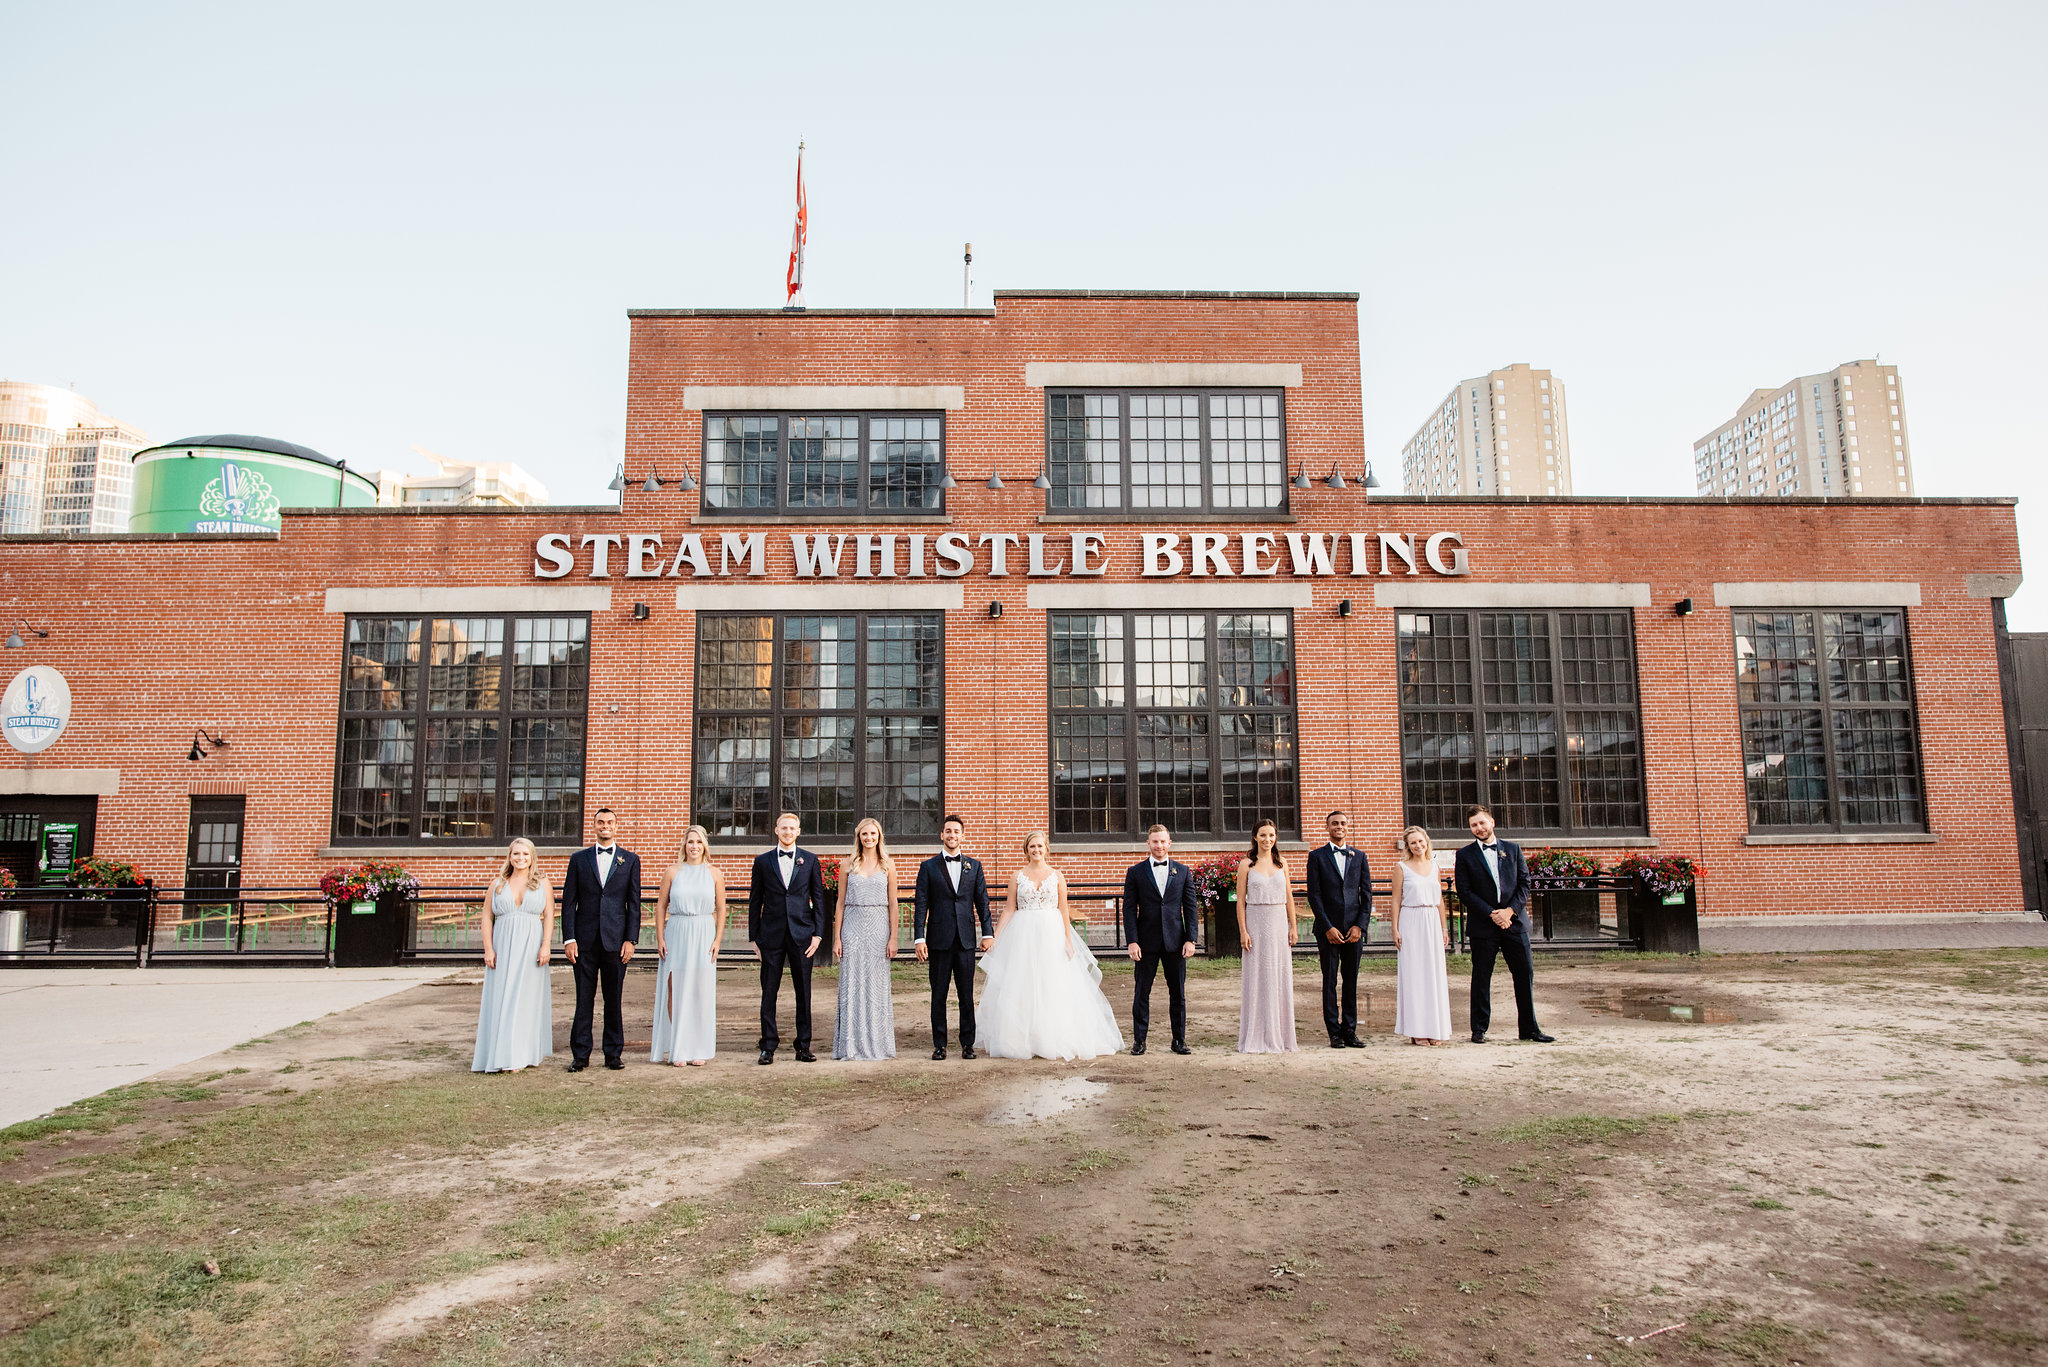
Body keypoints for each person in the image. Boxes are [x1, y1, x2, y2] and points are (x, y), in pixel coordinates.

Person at [979, 831, 1124, 1060]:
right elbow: (1009, 908)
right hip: (1023, 934)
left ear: (1046, 848)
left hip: (1051, 933)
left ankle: (1053, 1035)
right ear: (1026, 850)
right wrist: (995, 935)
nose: (1036, 850)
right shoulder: (1017, 875)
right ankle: (1021, 1037)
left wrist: (1067, 939)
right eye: (1031, 847)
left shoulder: (1057, 876)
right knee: (1023, 983)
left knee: (1052, 982)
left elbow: (1063, 910)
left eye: (1039, 846)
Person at [1452, 805, 1554, 1044]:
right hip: (1483, 926)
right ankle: (1478, 1029)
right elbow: (1465, 892)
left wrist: (1509, 911)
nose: (1479, 828)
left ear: (1492, 822)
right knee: (1481, 977)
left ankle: (1529, 1029)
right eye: (1474, 825)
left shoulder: (1513, 849)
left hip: (1514, 924)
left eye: (1482, 823)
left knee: (1524, 974)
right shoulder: (1464, 855)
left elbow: (1524, 884)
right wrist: (1491, 913)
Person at [561, 807, 642, 1072]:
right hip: (584, 942)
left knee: (613, 998)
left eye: (609, 822)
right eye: (600, 822)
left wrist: (631, 939)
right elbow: (568, 902)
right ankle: (580, 1055)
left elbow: (634, 904)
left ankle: (613, 1054)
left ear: (616, 827)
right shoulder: (578, 859)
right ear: (594, 826)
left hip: (616, 941)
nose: (604, 826)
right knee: (583, 998)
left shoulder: (629, 860)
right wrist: (569, 938)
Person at [913, 813, 994, 1060]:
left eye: (956, 831)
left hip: (966, 940)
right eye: (948, 831)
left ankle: (967, 1044)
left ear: (962, 835)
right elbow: (921, 904)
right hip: (938, 939)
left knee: (966, 995)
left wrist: (988, 933)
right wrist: (919, 938)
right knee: (938, 994)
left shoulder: (974, 866)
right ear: (942, 835)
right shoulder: (928, 867)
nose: (952, 835)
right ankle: (940, 1044)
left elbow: (982, 902)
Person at [748, 811, 827, 1065]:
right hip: (770, 936)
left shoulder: (810, 860)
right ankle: (768, 1046)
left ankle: (803, 1046)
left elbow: (819, 900)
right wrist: (753, 938)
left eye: (792, 828)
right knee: (769, 991)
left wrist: (817, 934)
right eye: (784, 828)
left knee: (803, 992)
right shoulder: (762, 862)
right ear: (776, 830)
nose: (788, 832)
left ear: (799, 831)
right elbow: (754, 901)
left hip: (802, 935)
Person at [472, 837, 554, 1073]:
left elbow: (549, 915)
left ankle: (520, 1053)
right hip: (503, 946)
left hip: (532, 946)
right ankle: (501, 1052)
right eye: (516, 854)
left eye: (525, 854)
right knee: (503, 996)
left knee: (525, 999)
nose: (520, 858)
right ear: (510, 857)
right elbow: (487, 917)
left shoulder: (542, 883)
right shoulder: (497, 884)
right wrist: (488, 949)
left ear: (532, 857)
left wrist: (546, 945)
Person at [1120, 824, 1199, 1056]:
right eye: (1155, 842)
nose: (1159, 846)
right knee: (1141, 992)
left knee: (1178, 993)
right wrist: (1132, 941)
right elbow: (1128, 910)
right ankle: (1139, 1041)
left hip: (1176, 943)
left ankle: (1179, 1040)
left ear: (1170, 843)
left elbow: (1191, 908)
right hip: (1146, 942)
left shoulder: (1183, 872)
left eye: (1163, 841)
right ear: (1148, 843)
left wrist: (1191, 939)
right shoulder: (1135, 872)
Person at [652, 825, 727, 1066]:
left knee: (699, 990)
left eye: (698, 842)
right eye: (690, 842)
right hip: (677, 931)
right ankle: (678, 1046)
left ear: (705, 845)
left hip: (704, 932)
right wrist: (660, 937)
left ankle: (698, 1048)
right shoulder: (673, 871)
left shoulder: (714, 873)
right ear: (684, 845)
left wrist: (717, 939)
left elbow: (722, 908)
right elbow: (661, 905)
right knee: (676, 988)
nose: (694, 846)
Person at [832, 817, 899, 1061]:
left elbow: (893, 904)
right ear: (858, 837)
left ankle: (878, 1044)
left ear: (879, 836)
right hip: (852, 925)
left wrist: (893, 938)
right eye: (864, 834)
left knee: (877, 986)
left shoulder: (888, 865)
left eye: (873, 834)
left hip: (879, 926)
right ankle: (850, 1045)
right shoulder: (848, 865)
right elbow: (839, 903)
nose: (869, 838)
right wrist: (837, 938)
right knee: (852, 983)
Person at [1303, 809, 1371, 1049]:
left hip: (1353, 931)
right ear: (1327, 827)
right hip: (1328, 931)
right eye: (1334, 823)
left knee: (1351, 980)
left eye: (1342, 823)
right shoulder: (1317, 857)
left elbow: (1367, 895)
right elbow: (1315, 895)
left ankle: (1350, 1030)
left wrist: (1360, 926)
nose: (1339, 826)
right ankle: (1334, 1032)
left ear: (1347, 826)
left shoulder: (1359, 856)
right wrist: (1327, 927)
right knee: (1329, 980)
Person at [1235, 818, 1299, 1053]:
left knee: (1279, 976)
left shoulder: (1282, 863)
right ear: (1255, 837)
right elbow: (1240, 901)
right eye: (1263, 835)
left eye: (1271, 835)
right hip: (1256, 921)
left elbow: (1289, 897)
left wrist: (1293, 926)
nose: (1267, 840)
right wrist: (1243, 931)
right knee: (1258, 975)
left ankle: (1279, 1034)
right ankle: (1257, 1034)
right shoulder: (1246, 865)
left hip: (1278, 922)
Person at [1392, 826, 1453, 1045]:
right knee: (1415, 975)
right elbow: (1396, 900)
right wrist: (1395, 929)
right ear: (1408, 846)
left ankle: (1434, 1027)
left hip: (1432, 922)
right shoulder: (1401, 868)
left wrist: (1444, 928)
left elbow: (1439, 900)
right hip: (1411, 920)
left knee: (1433, 975)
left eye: (1420, 841)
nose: (1418, 846)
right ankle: (1416, 1030)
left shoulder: (1434, 866)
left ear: (1426, 842)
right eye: (1413, 843)